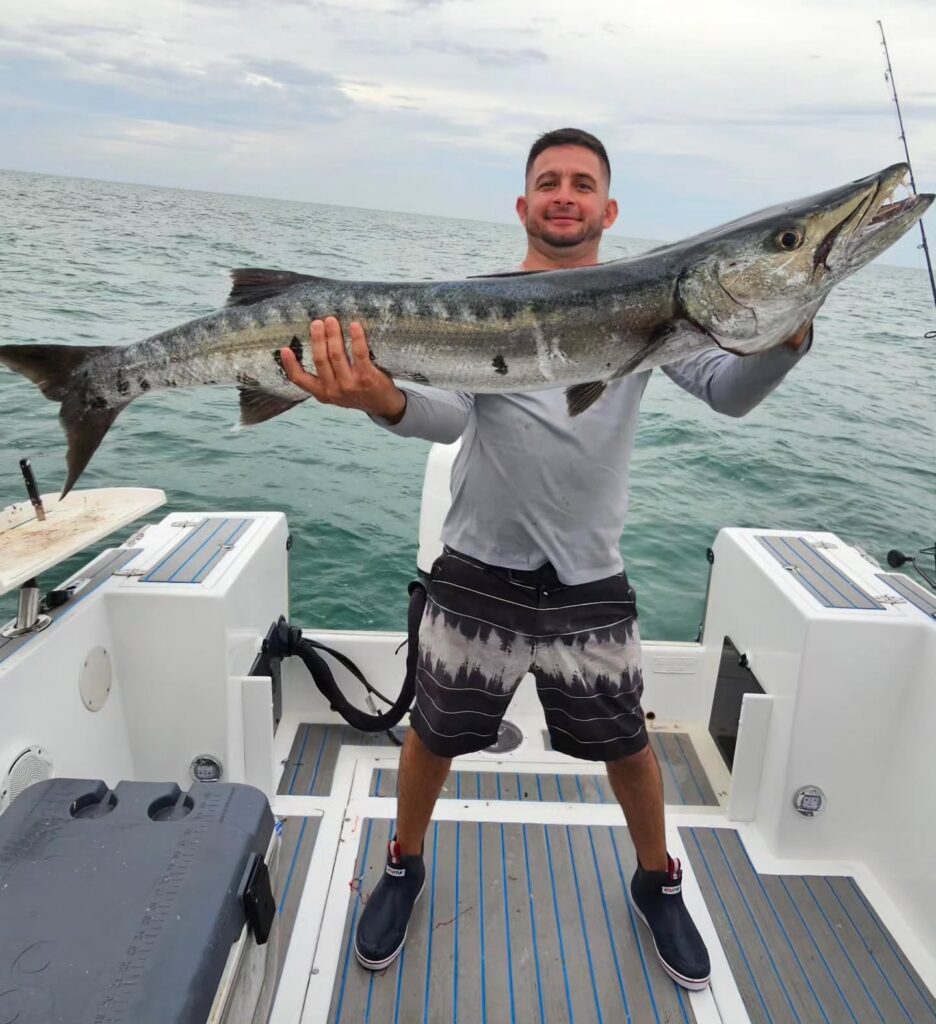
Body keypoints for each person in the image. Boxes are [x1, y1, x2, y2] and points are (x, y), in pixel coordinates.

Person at [280, 127, 812, 991]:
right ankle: (405, 862)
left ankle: (657, 878)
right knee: (435, 734)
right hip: (478, 565)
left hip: (587, 576)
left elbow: (727, 391)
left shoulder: (648, 301)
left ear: (608, 210)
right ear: (524, 206)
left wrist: (787, 335)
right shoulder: (479, 304)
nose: (564, 194)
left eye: (582, 183)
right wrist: (379, 397)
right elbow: (449, 416)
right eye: (548, 181)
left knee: (628, 745)